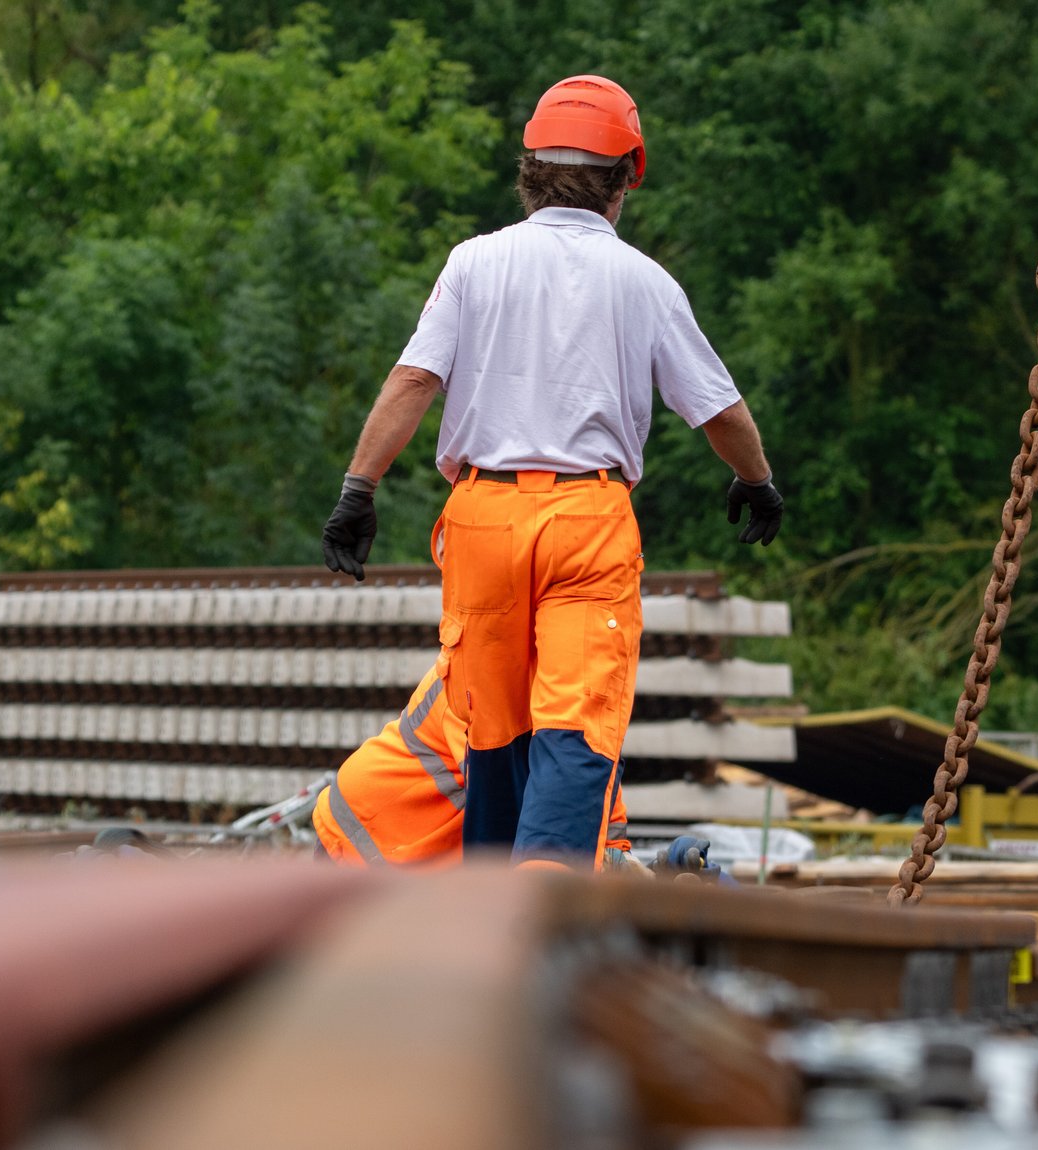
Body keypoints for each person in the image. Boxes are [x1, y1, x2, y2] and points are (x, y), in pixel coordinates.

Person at [317, 75, 782, 869]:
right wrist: (756, 478)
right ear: (627, 176)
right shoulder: (643, 281)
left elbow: (412, 382)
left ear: (530, 170)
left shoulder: (473, 263)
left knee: (490, 725)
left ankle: (489, 907)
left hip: (480, 519)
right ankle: (543, 913)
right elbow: (719, 410)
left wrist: (358, 489)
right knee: (576, 721)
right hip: (585, 523)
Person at [314, 666, 632, 867]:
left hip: (408, 855)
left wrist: (618, 855)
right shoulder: (474, 683)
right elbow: (507, 795)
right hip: (365, 839)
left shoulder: (579, 707)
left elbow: (596, 791)